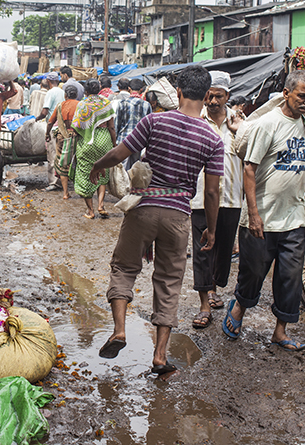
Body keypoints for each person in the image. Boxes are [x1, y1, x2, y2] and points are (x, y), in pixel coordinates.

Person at [90, 66, 223, 376]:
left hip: (144, 207)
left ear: (178, 93)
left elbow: (121, 153)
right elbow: (213, 193)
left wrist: (98, 165)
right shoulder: (212, 138)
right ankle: (160, 356)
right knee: (169, 281)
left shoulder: (155, 120)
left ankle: (120, 330)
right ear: (206, 96)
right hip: (178, 215)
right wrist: (211, 230)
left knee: (124, 267)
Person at [223, 69, 305, 352]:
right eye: (302, 96)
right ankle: (239, 310)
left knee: (290, 277)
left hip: (294, 216)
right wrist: (254, 214)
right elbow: (249, 169)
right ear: (286, 94)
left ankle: (280, 331)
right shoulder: (267, 124)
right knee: (253, 272)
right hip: (263, 217)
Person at [191, 71, 244, 329]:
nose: (212, 101)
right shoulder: (195, 121)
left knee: (223, 249)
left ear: (228, 97)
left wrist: (240, 130)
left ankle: (214, 287)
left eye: (218, 96)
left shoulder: (239, 123)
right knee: (203, 249)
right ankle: (204, 302)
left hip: (231, 197)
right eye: (209, 96)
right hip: (201, 196)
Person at [69, 79, 116, 219]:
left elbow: (76, 127)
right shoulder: (106, 103)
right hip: (104, 141)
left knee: (85, 173)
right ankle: (101, 204)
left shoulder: (82, 105)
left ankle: (90, 211)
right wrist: (114, 144)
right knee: (103, 172)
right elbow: (111, 127)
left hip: (87, 142)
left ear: (86, 91)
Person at [45, 85, 79, 200]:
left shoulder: (60, 106)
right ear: (77, 95)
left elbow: (50, 122)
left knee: (63, 163)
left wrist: (47, 134)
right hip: (78, 136)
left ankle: (65, 193)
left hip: (62, 137)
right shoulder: (80, 105)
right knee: (79, 162)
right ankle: (81, 190)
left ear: (65, 95)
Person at [116, 78, 152, 171]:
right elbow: (150, 126)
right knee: (135, 169)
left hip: (123, 140)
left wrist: (114, 141)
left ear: (129, 89)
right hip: (139, 141)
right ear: (141, 90)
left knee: (122, 170)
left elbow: (117, 125)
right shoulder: (146, 105)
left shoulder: (121, 104)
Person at [38, 73, 65, 190]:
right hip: (63, 127)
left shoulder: (50, 92)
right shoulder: (62, 92)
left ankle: (54, 183)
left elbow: (45, 112)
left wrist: (36, 119)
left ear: (48, 81)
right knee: (61, 156)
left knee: (52, 156)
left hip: (53, 127)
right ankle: (62, 180)